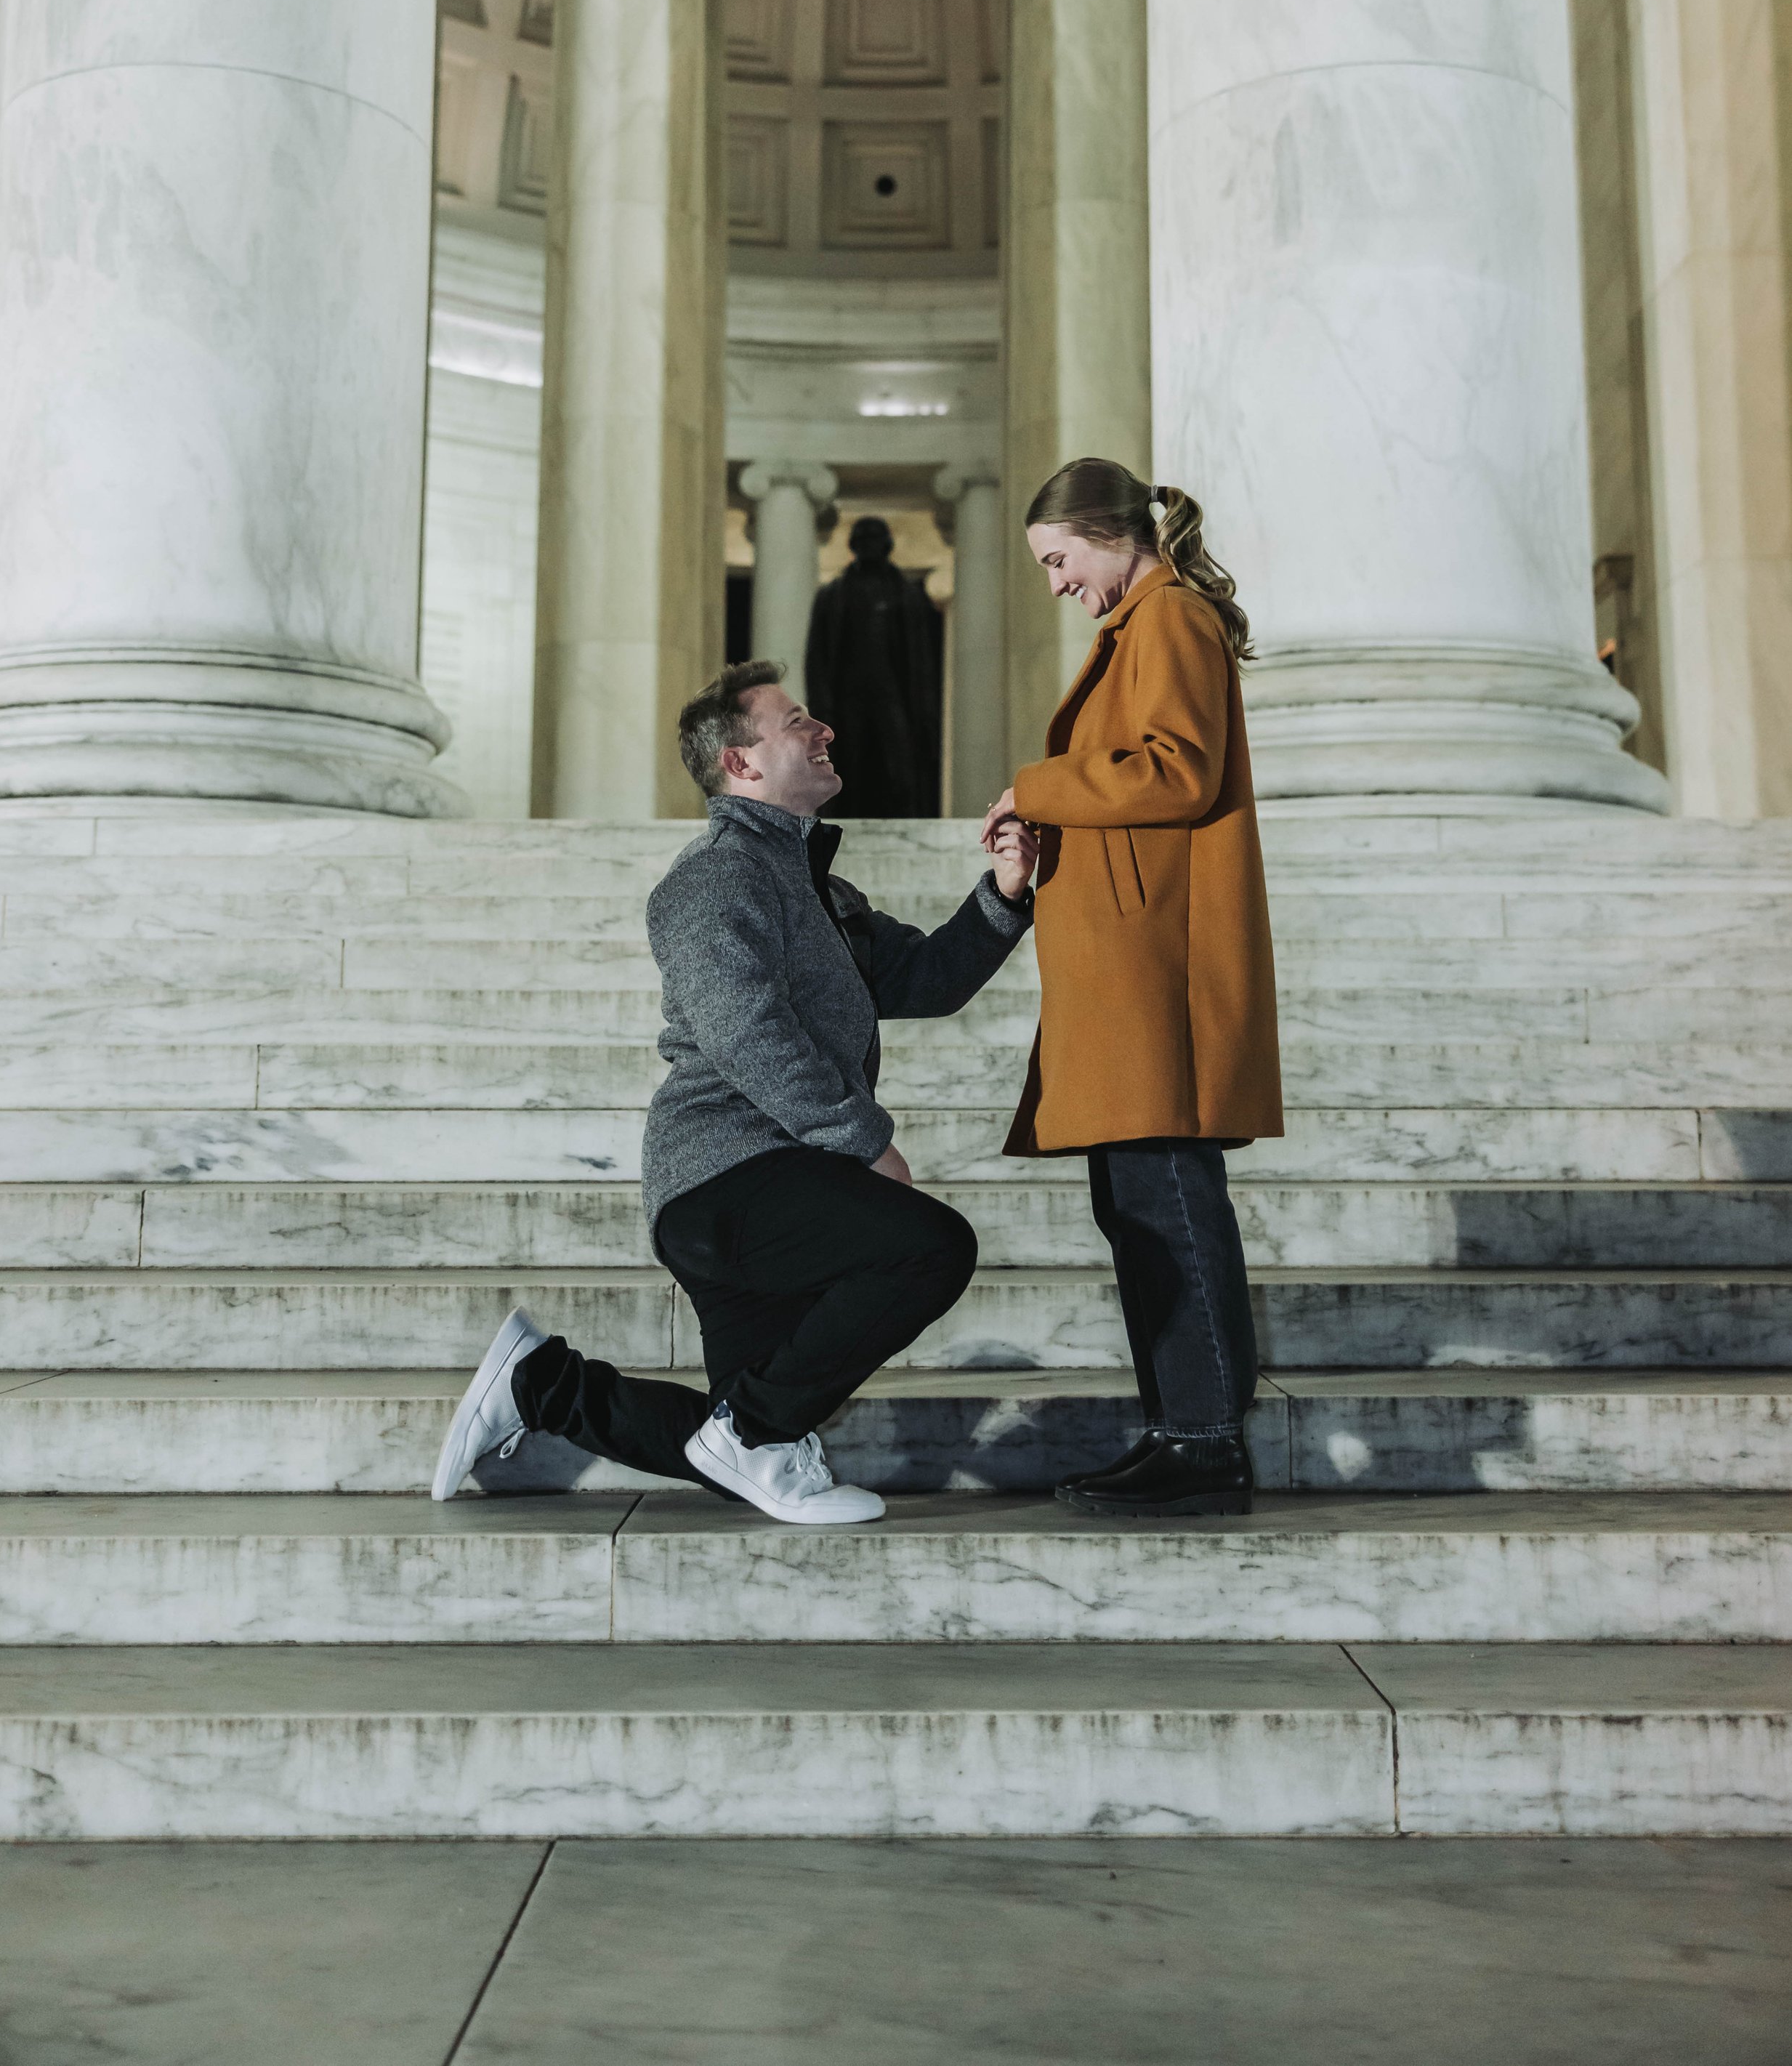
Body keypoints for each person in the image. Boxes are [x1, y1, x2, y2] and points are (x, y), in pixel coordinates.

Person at [434, 660, 1039, 1526]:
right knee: (928, 1248)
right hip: (725, 1175)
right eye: (796, 721)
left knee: (741, 1446)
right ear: (741, 763)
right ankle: (752, 1430)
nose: (823, 729)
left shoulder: (819, 889)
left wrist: (1004, 894)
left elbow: (925, 979)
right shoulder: (713, 877)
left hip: (768, 1180)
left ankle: (541, 1386)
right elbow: (744, 1028)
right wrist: (861, 1139)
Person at [980, 457, 1283, 1519]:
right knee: (1139, 1205)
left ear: (1105, 535)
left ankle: (1204, 1440)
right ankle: (1180, 1429)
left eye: (1058, 559)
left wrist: (1038, 782)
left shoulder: (1171, 620)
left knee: (1166, 1199)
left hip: (1161, 974)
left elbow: (1179, 768)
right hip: (1131, 972)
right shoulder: (1140, 625)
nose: (1057, 583)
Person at [804, 515, 943, 816]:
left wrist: (926, 711)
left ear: (887, 546)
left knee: (899, 763)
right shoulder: (831, 596)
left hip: (893, 692)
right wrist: (821, 706)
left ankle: (903, 818)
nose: (869, 547)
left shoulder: (907, 595)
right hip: (847, 696)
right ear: (853, 546)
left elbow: (921, 660)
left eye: (875, 540)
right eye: (863, 540)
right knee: (848, 761)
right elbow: (816, 658)